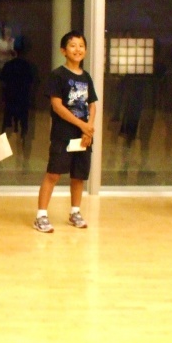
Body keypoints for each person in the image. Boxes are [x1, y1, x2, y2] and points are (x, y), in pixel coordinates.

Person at [33, 30, 98, 233]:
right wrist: (82, 125)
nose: (77, 49)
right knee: (53, 174)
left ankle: (75, 212)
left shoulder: (86, 77)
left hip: (84, 136)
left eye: (81, 45)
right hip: (63, 134)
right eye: (72, 45)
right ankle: (41, 215)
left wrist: (88, 129)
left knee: (78, 175)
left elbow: (92, 104)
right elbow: (57, 106)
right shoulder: (58, 75)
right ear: (63, 50)